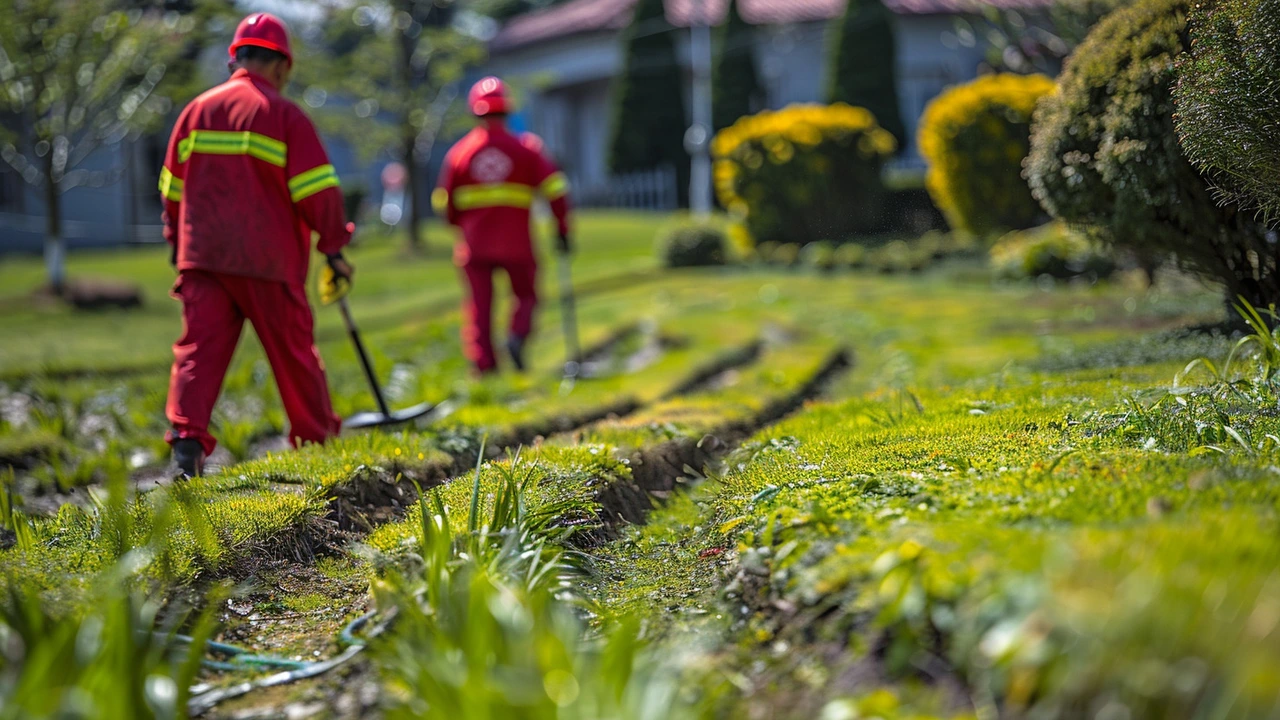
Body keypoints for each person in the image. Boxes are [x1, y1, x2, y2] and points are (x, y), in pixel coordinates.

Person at [158, 12, 355, 477]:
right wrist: (333, 246)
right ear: (283, 66)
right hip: (268, 261)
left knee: (197, 353)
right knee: (294, 355)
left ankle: (186, 446)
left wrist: (175, 239)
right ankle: (317, 445)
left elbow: (171, 189)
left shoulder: (195, 111)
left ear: (234, 61)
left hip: (203, 257)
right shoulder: (284, 115)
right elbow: (317, 193)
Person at [433, 77, 573, 374]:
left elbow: (445, 202)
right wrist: (561, 228)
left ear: (475, 111)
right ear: (507, 110)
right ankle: (517, 336)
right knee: (526, 295)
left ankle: (485, 366)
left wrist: (459, 225)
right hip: (517, 242)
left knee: (479, 307)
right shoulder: (528, 148)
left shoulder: (459, 154)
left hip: (475, 244)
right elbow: (556, 189)